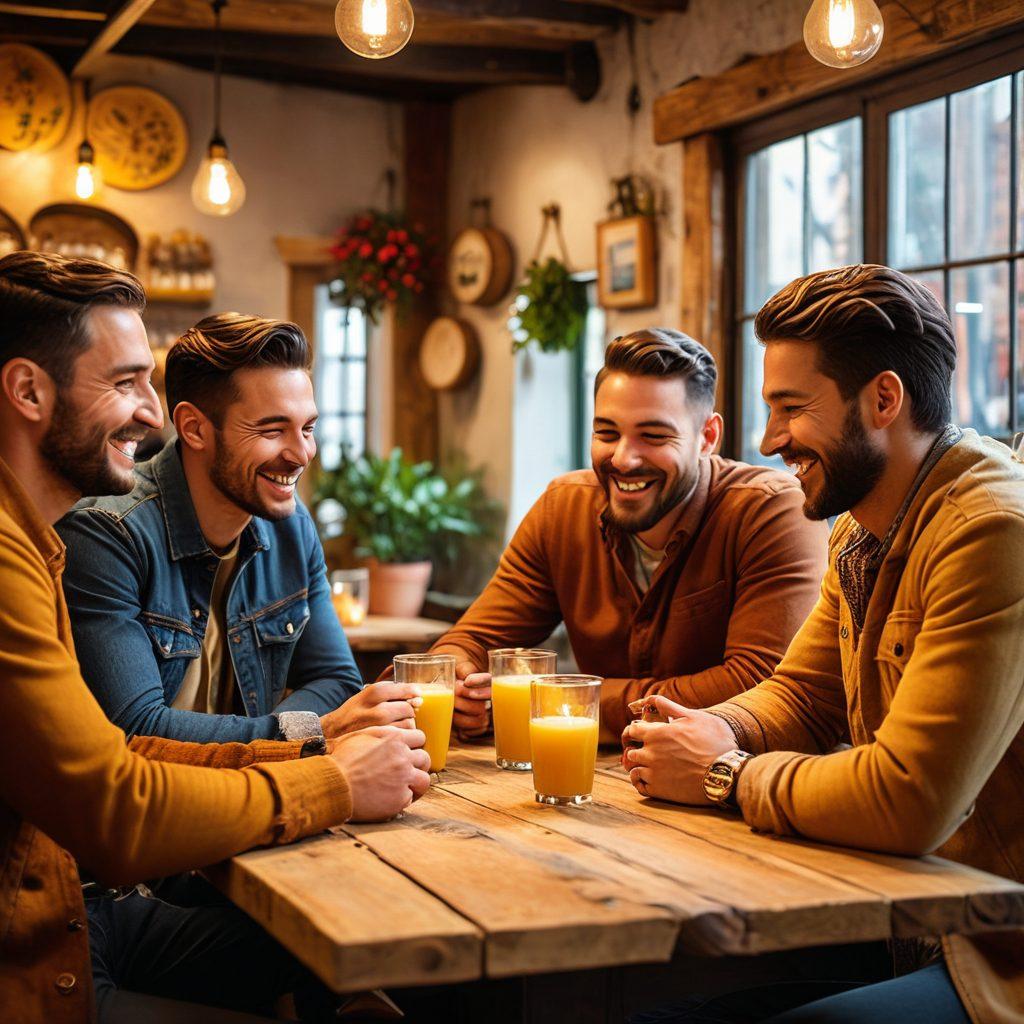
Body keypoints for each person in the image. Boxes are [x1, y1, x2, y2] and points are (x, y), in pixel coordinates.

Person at [0, 251, 430, 1022]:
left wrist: (319, 744)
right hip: (35, 944)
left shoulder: (36, 542)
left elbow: (123, 757)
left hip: (75, 908)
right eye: (126, 382)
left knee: (380, 967)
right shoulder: (46, 548)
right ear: (29, 390)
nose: (151, 415)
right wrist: (330, 772)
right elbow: (118, 807)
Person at [623, 265, 1024, 1023]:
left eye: (791, 408)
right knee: (657, 998)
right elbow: (804, 693)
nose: (771, 439)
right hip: (905, 919)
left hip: (996, 956)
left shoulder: (992, 531)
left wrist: (726, 775)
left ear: (882, 400)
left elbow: (909, 799)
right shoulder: (861, 526)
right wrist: (717, 729)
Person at [424, 328, 828, 739]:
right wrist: (457, 683)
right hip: (592, 785)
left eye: (653, 436)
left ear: (707, 437)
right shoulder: (563, 508)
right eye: (606, 433)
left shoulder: (771, 509)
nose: (623, 458)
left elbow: (759, 687)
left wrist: (559, 701)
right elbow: (473, 641)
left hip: (726, 785)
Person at [58, 313, 419, 746]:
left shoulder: (291, 526)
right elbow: (134, 730)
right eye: (272, 430)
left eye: (307, 428)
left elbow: (336, 679)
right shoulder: (109, 534)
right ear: (194, 428)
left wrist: (282, 745)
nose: (302, 455)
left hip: (257, 797)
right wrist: (308, 733)